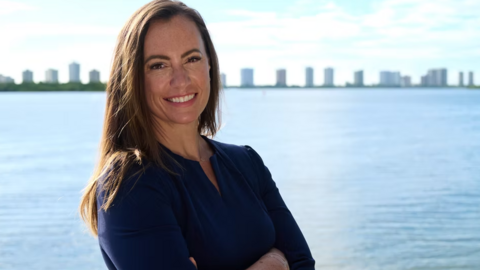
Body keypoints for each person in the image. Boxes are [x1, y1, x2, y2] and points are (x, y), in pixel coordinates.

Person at [78, 1, 315, 269]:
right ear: (132, 79)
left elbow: (303, 262)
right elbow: (290, 259)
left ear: (210, 65)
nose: (181, 79)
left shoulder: (247, 162)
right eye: (159, 65)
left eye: (192, 59)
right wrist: (274, 261)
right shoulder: (128, 185)